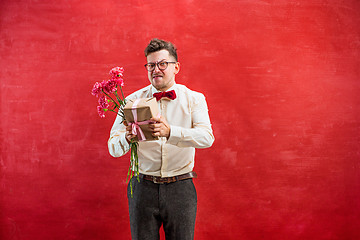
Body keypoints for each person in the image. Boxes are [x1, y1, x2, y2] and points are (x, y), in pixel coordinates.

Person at [108, 38, 214, 240]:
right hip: (141, 187)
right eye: (151, 65)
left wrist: (170, 132)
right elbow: (113, 148)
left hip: (181, 187)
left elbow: (206, 138)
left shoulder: (194, 98)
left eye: (162, 63)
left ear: (176, 67)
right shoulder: (130, 101)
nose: (156, 69)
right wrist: (127, 138)